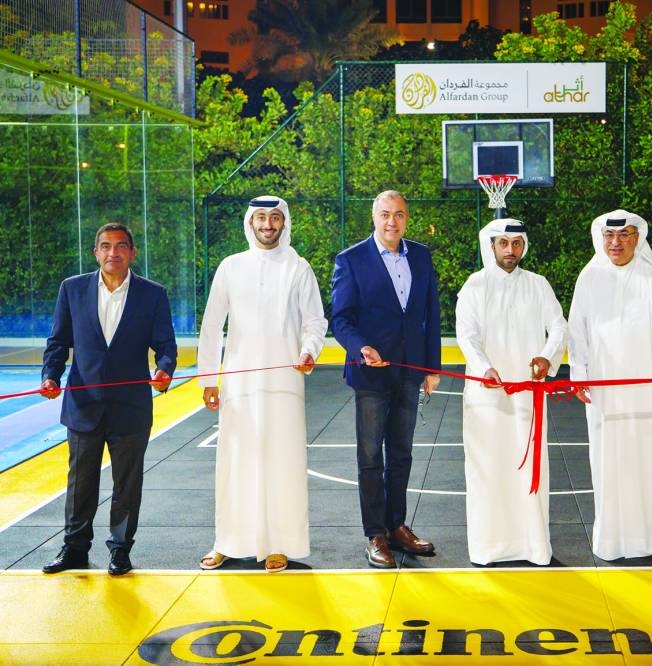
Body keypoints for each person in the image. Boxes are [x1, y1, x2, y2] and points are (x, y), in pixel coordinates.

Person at [197, 196, 327, 573]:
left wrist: (308, 351)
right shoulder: (230, 267)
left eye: (274, 218)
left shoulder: (298, 268)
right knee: (235, 463)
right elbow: (211, 325)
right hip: (239, 386)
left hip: (286, 383)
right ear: (249, 223)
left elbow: (315, 321)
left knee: (282, 464)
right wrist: (209, 378)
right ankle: (228, 541)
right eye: (261, 218)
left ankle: (279, 544)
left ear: (284, 223)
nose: (268, 225)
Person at [39, 223, 177, 576]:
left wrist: (164, 370)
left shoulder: (153, 294)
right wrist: (50, 376)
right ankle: (74, 549)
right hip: (83, 405)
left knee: (127, 485)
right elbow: (58, 342)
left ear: (132, 252)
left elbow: (165, 346)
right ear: (95, 252)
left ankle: (120, 550)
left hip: (130, 407)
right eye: (105, 246)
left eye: (120, 246)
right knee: (80, 483)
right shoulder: (72, 289)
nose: (112, 252)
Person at [330, 190, 441, 568]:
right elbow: (340, 319)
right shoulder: (351, 260)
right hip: (371, 373)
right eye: (384, 214)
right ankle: (375, 533)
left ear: (407, 218)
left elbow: (430, 315)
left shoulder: (422, 256)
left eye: (399, 215)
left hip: (409, 371)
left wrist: (430, 368)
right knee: (369, 456)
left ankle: (396, 526)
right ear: (373, 217)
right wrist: (361, 347)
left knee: (401, 453)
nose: (391, 222)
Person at [567, 209, 652, 560]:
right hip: (605, 388)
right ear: (601, 239)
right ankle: (612, 540)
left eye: (625, 235)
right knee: (609, 459)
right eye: (609, 236)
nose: (616, 243)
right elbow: (578, 330)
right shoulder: (589, 277)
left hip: (648, 385)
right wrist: (579, 374)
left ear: (638, 238)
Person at [455, 218, 567, 566]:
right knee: (487, 470)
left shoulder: (538, 284)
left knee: (529, 470)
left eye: (516, 243)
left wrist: (548, 359)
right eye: (503, 243)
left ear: (523, 246)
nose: (510, 250)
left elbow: (559, 327)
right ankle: (488, 548)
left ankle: (534, 547)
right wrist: (483, 367)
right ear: (491, 246)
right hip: (485, 396)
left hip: (527, 396)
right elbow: (467, 335)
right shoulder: (474, 286)